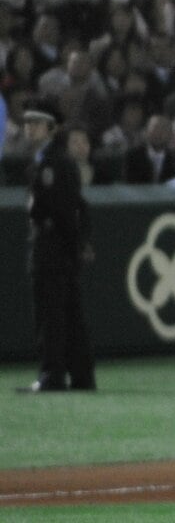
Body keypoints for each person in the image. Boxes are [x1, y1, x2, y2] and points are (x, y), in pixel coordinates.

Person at [16, 102, 96, 393]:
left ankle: (52, 375)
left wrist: (72, 243)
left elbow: (64, 210)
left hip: (51, 246)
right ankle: (81, 375)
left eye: (37, 123)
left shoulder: (53, 162)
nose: (30, 128)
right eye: (27, 122)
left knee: (51, 315)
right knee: (70, 314)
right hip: (59, 246)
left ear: (52, 128)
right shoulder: (46, 160)